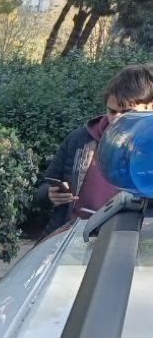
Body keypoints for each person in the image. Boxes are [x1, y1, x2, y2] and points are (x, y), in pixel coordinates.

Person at [37, 63, 153, 236]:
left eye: (128, 111)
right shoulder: (80, 138)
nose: (117, 119)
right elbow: (44, 187)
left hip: (129, 241)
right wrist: (49, 194)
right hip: (70, 238)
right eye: (112, 111)